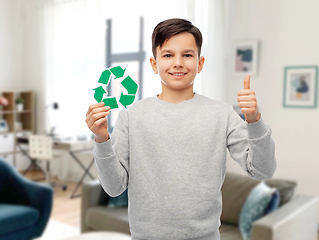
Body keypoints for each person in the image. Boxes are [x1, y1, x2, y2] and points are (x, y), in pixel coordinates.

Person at [85, 18, 276, 240]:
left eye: (187, 55)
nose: (178, 63)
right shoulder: (131, 116)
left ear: (200, 62)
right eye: (168, 55)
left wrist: (254, 121)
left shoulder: (222, 114)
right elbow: (114, 187)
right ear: (154, 64)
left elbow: (263, 170)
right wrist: (101, 140)